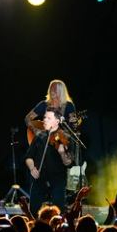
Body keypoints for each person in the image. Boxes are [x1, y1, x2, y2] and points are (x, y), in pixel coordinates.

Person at [23, 79, 77, 209]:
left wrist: (74, 124)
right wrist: (37, 130)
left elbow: (73, 127)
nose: (53, 93)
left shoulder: (69, 106)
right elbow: (27, 118)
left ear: (61, 92)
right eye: (51, 90)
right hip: (43, 141)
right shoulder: (44, 104)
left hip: (60, 141)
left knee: (60, 174)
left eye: (56, 91)